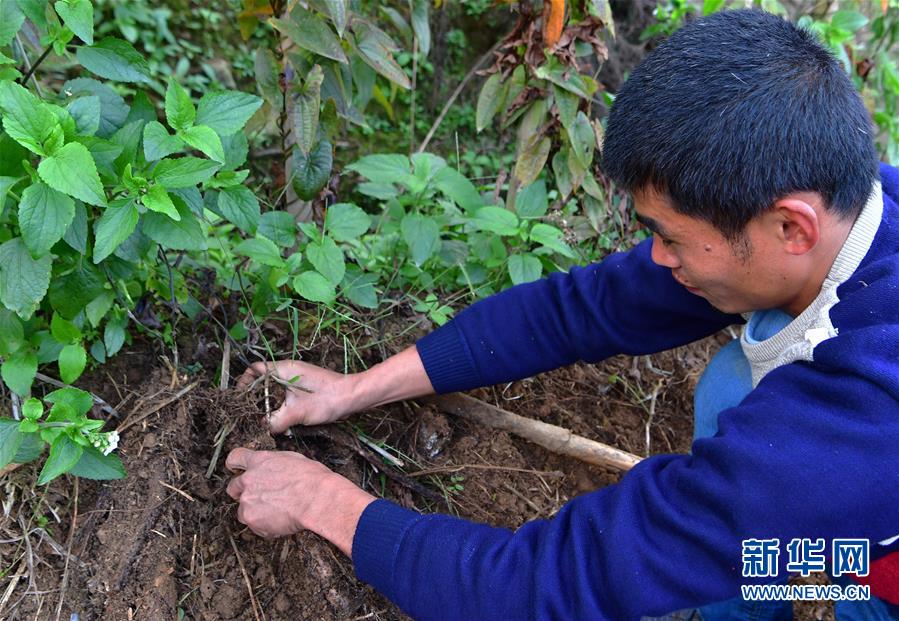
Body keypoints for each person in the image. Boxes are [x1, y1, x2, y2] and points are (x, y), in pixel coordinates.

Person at [225, 9, 899, 620]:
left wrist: (326, 503)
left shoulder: (861, 415)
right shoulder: (849, 210)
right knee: (733, 385)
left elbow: (545, 584)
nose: (656, 258)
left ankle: (786, 573)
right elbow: (579, 310)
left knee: (782, 538)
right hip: (838, 515)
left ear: (790, 226)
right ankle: (752, 581)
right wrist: (352, 387)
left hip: (879, 569)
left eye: (668, 235)